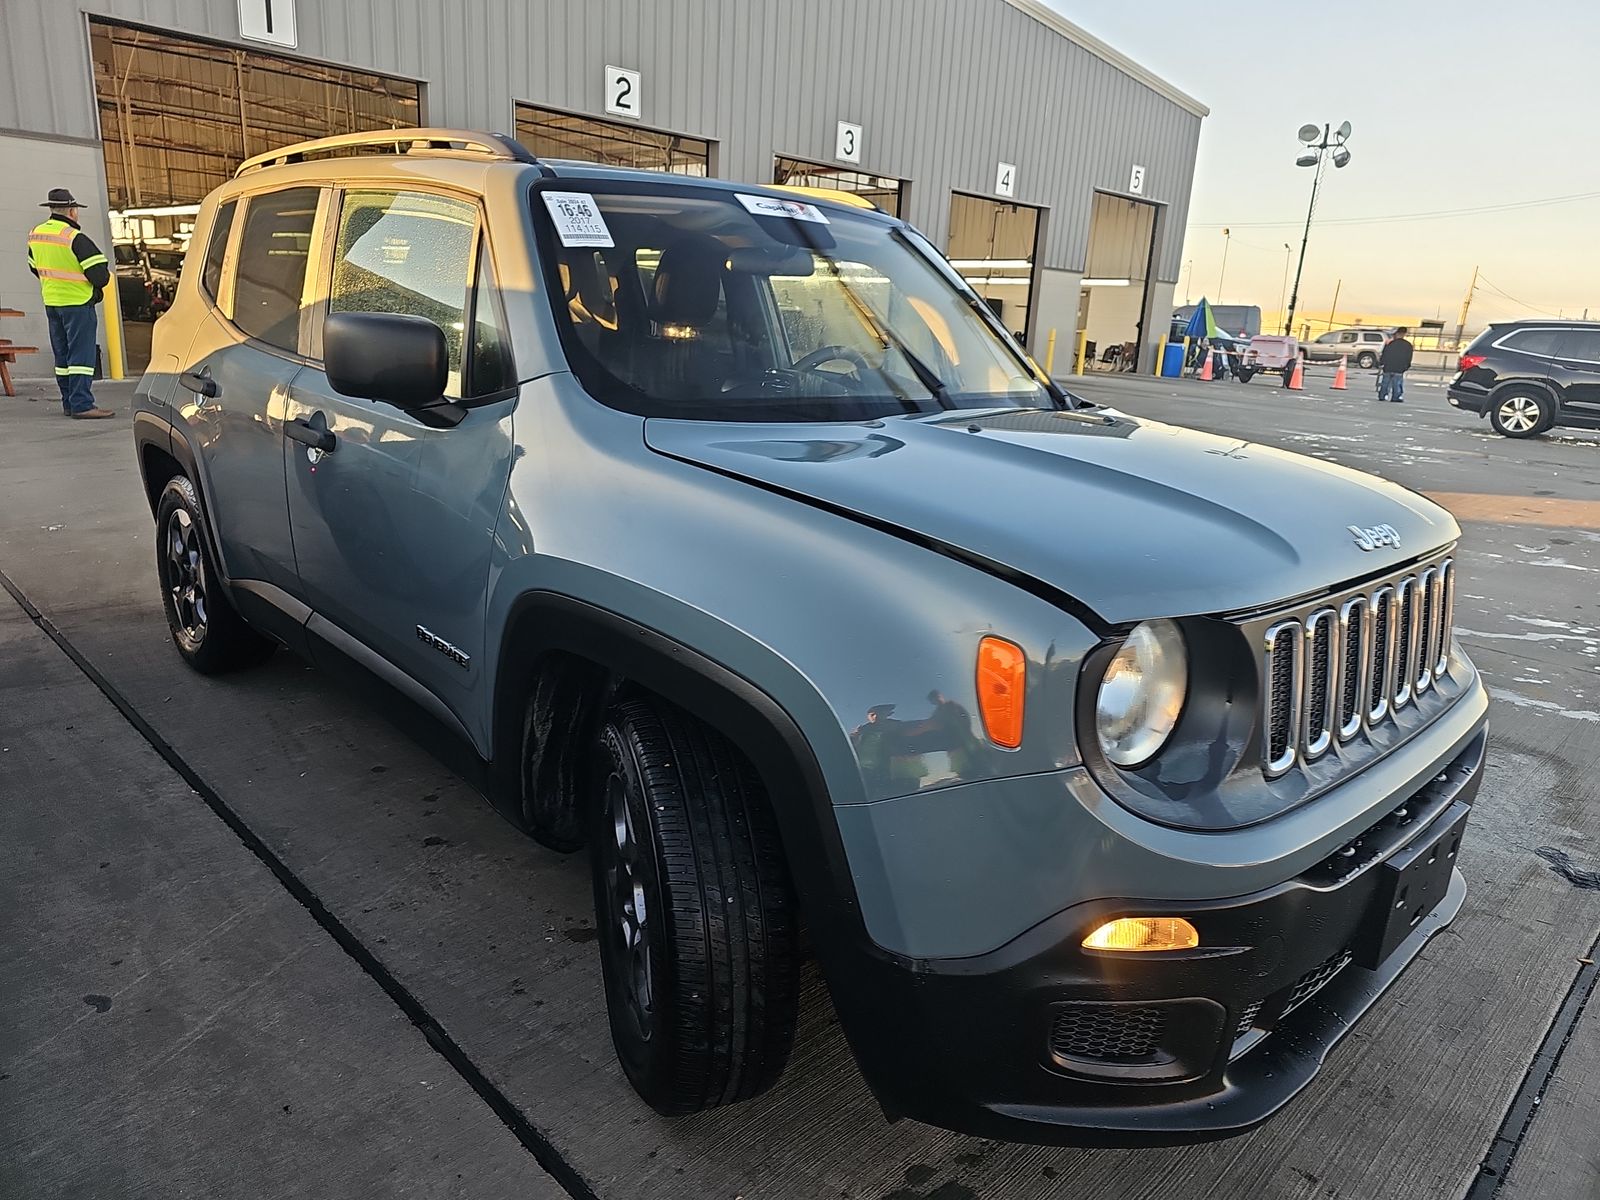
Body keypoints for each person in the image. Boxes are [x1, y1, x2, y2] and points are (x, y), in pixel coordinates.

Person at [27, 188, 115, 419]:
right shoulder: (74, 238)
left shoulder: (36, 234)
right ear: (72, 211)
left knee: (62, 356)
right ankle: (82, 404)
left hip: (52, 303)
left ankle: (69, 402)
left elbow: (33, 267)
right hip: (77, 303)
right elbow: (100, 275)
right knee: (81, 357)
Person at [1377, 326, 1414, 403]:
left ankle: (1382, 395)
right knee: (1397, 383)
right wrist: (1406, 367)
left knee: (1385, 382)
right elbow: (1408, 357)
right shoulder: (1408, 345)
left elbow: (1384, 354)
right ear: (1404, 334)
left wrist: (1382, 363)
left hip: (1388, 367)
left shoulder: (1390, 344)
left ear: (1396, 334)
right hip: (1399, 368)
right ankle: (1396, 397)